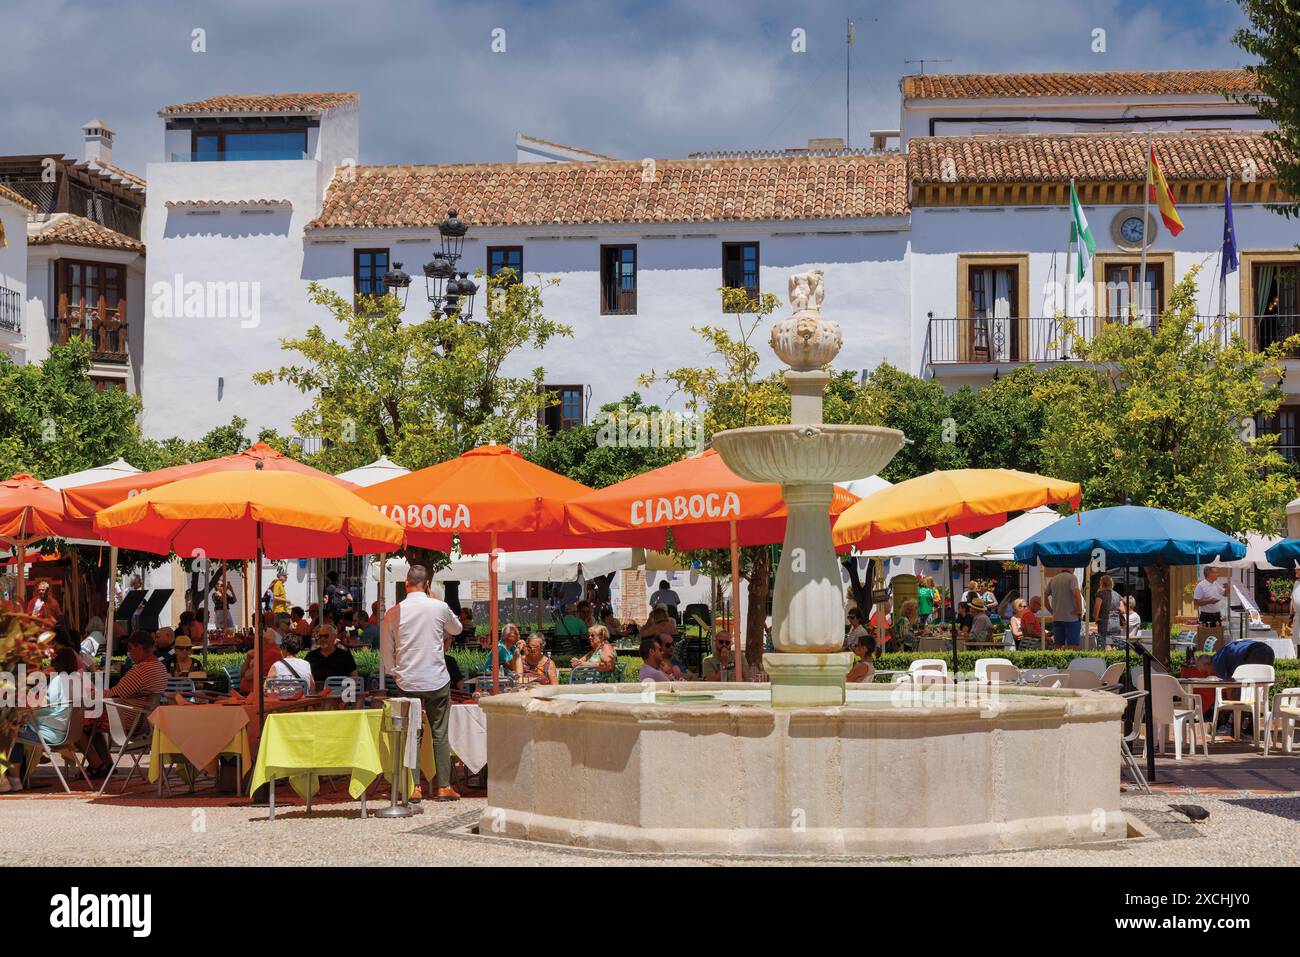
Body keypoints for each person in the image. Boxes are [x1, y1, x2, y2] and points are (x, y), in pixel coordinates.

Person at [381, 565, 463, 801]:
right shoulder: (438, 606)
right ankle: (444, 785)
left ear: (406, 583)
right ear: (427, 584)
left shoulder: (393, 612)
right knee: (440, 733)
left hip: (408, 680)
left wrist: (394, 672)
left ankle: (414, 786)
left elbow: (387, 649)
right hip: (436, 678)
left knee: (412, 734)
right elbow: (456, 630)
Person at [83, 631, 169, 774]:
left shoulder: (141, 669)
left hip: (128, 720)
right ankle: (106, 765)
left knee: (82, 724)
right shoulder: (160, 667)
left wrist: (92, 695)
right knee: (92, 722)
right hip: (145, 722)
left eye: (130, 648)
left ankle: (97, 765)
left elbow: (116, 692)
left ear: (139, 648)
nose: (129, 653)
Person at [5, 646, 81, 792]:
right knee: (18, 729)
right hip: (67, 733)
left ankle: (12, 780)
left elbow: (45, 705)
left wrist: (27, 711)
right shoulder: (75, 680)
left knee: (11, 731)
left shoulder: (59, 679)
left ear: (58, 662)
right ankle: (17, 780)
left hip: (51, 733)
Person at [1045, 567, 1082, 647]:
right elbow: (1077, 594)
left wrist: (1051, 610)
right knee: (1072, 646)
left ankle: (1058, 660)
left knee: (1058, 645)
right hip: (1071, 618)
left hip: (1057, 617)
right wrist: (1079, 610)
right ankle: (1071, 660)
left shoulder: (1053, 579)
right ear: (1072, 569)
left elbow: (1044, 596)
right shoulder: (1072, 578)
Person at [240, 629, 283, 695]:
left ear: (263, 640)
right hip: (253, 690)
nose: (254, 640)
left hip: (252, 692)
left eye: (256, 638)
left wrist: (248, 658)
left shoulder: (271, 653)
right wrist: (248, 657)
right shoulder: (265, 651)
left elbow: (247, 676)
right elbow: (243, 674)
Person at [1092, 575, 1123, 649]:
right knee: (1115, 646)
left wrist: (1096, 618)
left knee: (1106, 645)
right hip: (1116, 624)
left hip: (1105, 624)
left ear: (1102, 583)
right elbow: (1122, 610)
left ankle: (1108, 660)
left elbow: (1097, 608)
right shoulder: (1117, 595)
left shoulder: (1100, 594)